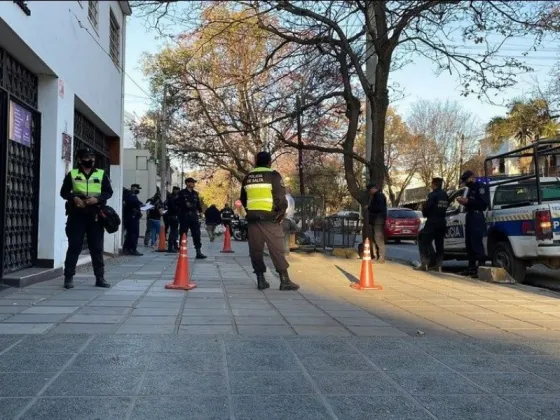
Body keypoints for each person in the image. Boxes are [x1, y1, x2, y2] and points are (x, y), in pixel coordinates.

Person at [240, 151, 300, 291]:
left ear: (256, 161)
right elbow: (280, 197)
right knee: (276, 249)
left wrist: (250, 211)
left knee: (256, 250)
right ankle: (284, 280)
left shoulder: (248, 177)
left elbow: (243, 198)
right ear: (269, 162)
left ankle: (261, 280)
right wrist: (280, 214)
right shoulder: (273, 175)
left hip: (253, 218)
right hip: (270, 218)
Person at [60, 148, 113, 289]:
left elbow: (108, 192)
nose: (90, 160)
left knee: (96, 248)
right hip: (77, 214)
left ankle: (100, 278)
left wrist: (97, 199)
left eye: (92, 157)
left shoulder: (101, 174)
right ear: (79, 160)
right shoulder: (73, 174)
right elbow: (63, 192)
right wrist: (74, 197)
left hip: (95, 215)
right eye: (86, 157)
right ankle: (68, 277)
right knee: (74, 246)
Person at [457, 170, 489, 277]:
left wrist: (468, 202)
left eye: (466, 180)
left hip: (477, 216)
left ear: (471, 177)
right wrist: (464, 202)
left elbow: (483, 204)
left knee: (476, 242)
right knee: (469, 243)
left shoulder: (480, 187)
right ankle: (471, 267)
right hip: (470, 216)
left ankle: (480, 267)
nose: (465, 183)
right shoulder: (470, 189)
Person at [416, 177, 449, 272]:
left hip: (432, 222)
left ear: (435, 184)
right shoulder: (445, 195)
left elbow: (426, 209)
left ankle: (425, 263)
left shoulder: (433, 195)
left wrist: (424, 208)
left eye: (432, 184)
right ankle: (438, 265)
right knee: (439, 243)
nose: (431, 185)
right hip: (442, 222)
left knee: (422, 238)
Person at [178, 177, 207, 259]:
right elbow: (177, 203)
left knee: (197, 234)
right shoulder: (182, 193)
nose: (193, 184)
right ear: (187, 183)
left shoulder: (195, 193)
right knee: (183, 233)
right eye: (192, 182)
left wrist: (200, 211)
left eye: (194, 182)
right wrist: (184, 204)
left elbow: (198, 204)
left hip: (194, 216)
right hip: (184, 215)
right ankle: (182, 251)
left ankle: (198, 252)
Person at [367, 182, 387, 263]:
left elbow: (378, 208)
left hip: (378, 220)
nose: (369, 192)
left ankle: (381, 257)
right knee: (376, 239)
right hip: (376, 220)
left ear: (373, 189)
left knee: (378, 238)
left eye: (370, 190)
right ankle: (378, 256)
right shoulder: (376, 196)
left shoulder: (379, 196)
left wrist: (369, 207)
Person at [123, 183, 144, 256]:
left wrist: (140, 204)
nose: (138, 190)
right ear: (133, 187)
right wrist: (139, 204)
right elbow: (133, 202)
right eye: (137, 188)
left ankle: (127, 248)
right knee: (134, 234)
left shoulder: (129, 194)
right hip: (132, 217)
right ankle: (133, 249)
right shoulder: (131, 195)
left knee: (130, 234)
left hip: (131, 217)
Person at [165, 186, 181, 253]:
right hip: (173, 216)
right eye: (177, 190)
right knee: (173, 232)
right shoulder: (172, 197)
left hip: (174, 216)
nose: (177, 192)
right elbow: (173, 207)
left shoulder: (173, 197)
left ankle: (175, 246)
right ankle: (170, 247)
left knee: (175, 232)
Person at [283, 187, 296, 256]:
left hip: (285, 219)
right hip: (290, 219)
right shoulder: (292, 199)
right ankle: (286, 251)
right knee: (286, 236)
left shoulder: (287, 198)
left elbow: (286, 208)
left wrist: (282, 216)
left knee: (284, 236)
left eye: (284, 189)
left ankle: (284, 252)